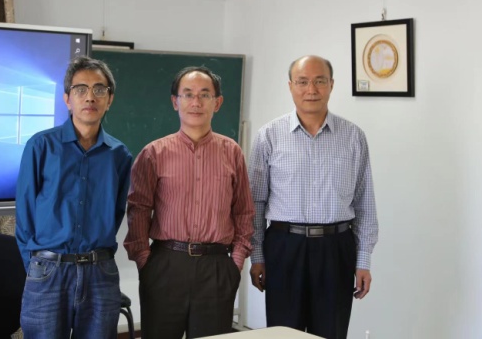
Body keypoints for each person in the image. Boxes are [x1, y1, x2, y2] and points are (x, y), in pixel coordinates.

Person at [248, 55, 379, 339]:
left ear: (331, 85)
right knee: (283, 333)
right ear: (290, 86)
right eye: (302, 82)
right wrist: (257, 256)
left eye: (320, 81)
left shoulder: (353, 136)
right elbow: (255, 202)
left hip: (336, 248)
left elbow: (364, 203)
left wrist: (363, 260)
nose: (311, 89)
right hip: (284, 247)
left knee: (331, 331)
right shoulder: (269, 136)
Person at [125, 66, 254, 339]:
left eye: (205, 95)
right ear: (175, 101)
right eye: (188, 94)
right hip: (165, 264)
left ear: (217, 103)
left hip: (216, 267)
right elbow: (138, 210)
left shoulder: (232, 152)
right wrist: (145, 261)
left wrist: (236, 263)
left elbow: (243, 211)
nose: (196, 102)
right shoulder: (153, 153)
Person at [15, 56, 133, 339]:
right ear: (67, 99)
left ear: (109, 99)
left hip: (100, 273)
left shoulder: (119, 155)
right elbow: (24, 214)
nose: (90, 97)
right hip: (49, 270)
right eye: (81, 89)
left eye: (99, 89)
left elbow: (116, 212)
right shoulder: (41, 146)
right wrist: (36, 266)